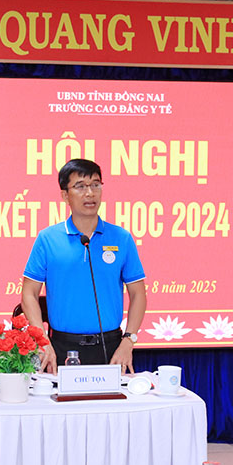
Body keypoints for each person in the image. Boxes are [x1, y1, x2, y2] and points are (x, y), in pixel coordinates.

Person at [21, 159, 146, 374]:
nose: (90, 193)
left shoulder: (121, 238)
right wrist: (42, 341)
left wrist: (129, 340)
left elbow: (138, 294)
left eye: (95, 185)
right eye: (80, 186)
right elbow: (28, 294)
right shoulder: (48, 239)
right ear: (65, 195)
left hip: (111, 348)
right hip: (60, 347)